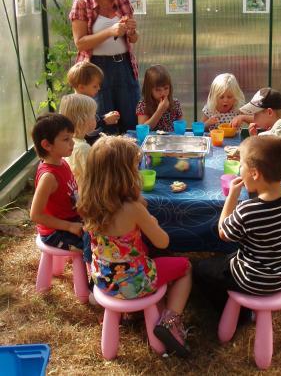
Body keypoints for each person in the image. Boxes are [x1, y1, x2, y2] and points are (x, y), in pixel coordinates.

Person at [77, 135, 192, 357]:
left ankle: (128, 314)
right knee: (186, 267)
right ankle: (170, 321)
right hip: (136, 281)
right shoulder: (132, 209)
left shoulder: (87, 202)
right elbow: (163, 242)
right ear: (125, 174)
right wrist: (152, 221)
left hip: (104, 280)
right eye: (134, 167)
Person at [194, 135, 281, 314]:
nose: (239, 169)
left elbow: (223, 233)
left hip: (252, 281)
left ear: (255, 173)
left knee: (200, 269)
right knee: (228, 258)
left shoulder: (248, 210)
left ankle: (242, 314)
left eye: (241, 165)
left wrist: (232, 196)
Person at [69, 0, 140, 134]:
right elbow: (80, 43)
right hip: (95, 68)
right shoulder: (82, 4)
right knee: (102, 120)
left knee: (130, 116)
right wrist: (110, 31)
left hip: (123, 64)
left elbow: (133, 39)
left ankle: (131, 158)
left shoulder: (122, 0)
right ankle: (104, 160)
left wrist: (132, 31)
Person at [30, 113, 83, 252]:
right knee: (96, 243)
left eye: (72, 137)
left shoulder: (62, 162)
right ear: (47, 145)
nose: (72, 143)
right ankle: (92, 273)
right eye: (66, 139)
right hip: (55, 233)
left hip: (72, 220)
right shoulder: (48, 177)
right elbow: (35, 215)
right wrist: (69, 226)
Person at [67, 61, 120, 144]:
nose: (98, 88)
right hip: (87, 143)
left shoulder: (79, 100)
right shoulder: (81, 105)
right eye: (95, 86)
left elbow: (90, 119)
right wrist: (105, 121)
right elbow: (86, 130)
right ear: (81, 87)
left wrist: (104, 117)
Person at [59, 94, 97, 188]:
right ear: (83, 120)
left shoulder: (68, 143)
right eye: (94, 115)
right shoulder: (83, 148)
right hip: (85, 198)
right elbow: (98, 179)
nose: (96, 117)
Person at [136, 64, 183, 132]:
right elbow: (142, 130)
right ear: (149, 90)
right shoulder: (143, 105)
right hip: (151, 140)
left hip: (171, 140)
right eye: (158, 90)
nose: (163, 93)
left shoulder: (175, 103)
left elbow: (180, 127)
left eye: (166, 88)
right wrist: (160, 111)